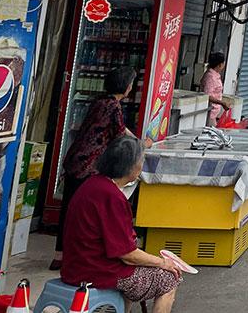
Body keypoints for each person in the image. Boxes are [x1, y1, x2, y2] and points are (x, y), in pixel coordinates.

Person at [62, 135, 182, 312]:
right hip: (96, 269)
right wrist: (162, 263)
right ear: (131, 166)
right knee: (169, 279)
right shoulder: (112, 196)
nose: (142, 165)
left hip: (77, 264)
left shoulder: (93, 184)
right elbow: (127, 254)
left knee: (146, 270)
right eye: (141, 160)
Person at [52, 66, 139, 270]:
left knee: (68, 208)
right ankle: (77, 254)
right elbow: (119, 133)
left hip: (75, 158)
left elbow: (119, 128)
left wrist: (135, 137)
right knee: (84, 210)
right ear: (126, 87)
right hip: (89, 163)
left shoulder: (100, 101)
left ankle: (59, 254)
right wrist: (141, 145)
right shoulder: (114, 106)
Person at [201, 52, 231, 127]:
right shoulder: (210, 77)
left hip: (214, 112)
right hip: (209, 112)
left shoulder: (215, 75)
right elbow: (207, 95)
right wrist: (222, 103)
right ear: (220, 65)